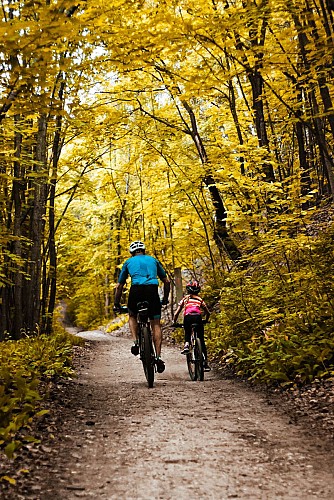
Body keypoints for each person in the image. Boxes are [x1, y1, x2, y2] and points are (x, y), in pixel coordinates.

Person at [114, 240, 170, 373]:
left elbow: (119, 286)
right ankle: (157, 357)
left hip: (136, 291)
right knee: (155, 323)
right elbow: (166, 281)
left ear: (132, 253)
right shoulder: (153, 260)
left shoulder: (128, 262)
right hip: (152, 291)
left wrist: (116, 303)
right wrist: (165, 299)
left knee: (132, 314)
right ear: (144, 251)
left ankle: (135, 342)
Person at [173, 280, 211, 371]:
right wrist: (206, 319)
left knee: (188, 331)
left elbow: (176, 313)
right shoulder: (200, 300)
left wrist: (174, 322)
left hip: (188, 318)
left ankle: (186, 345)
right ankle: (205, 361)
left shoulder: (185, 299)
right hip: (198, 318)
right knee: (201, 339)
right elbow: (207, 312)